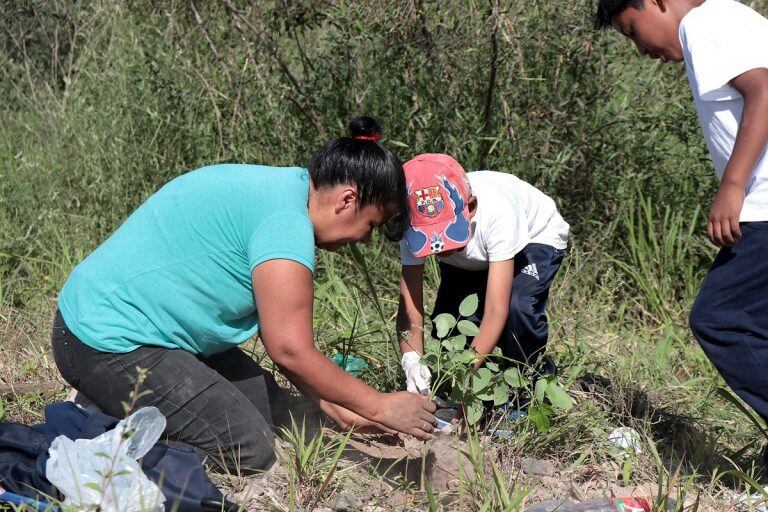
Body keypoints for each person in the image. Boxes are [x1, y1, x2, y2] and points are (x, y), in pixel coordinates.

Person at [51, 117, 437, 474]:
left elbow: (292, 358)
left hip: (143, 331)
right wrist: (380, 405)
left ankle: (121, 403)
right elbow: (290, 351)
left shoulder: (289, 190)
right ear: (347, 199)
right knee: (247, 447)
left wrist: (344, 412)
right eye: (371, 225)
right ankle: (100, 433)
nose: (365, 239)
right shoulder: (285, 227)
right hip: (100, 341)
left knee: (274, 408)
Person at [594, 0, 768, 439]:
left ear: (656, 2)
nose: (638, 48)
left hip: (765, 205)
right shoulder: (727, 18)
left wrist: (732, 185)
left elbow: (765, 91)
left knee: (720, 317)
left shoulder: (703, 23)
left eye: (632, 30)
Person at [396, 154, 569, 398]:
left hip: (534, 236)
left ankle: (524, 386)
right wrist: (412, 361)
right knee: (449, 324)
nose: (441, 249)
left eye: (446, 235)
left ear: (471, 208)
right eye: (430, 237)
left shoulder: (499, 214)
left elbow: (496, 310)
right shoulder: (412, 222)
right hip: (478, 249)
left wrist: (464, 384)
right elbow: (409, 306)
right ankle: (483, 384)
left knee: (518, 308)